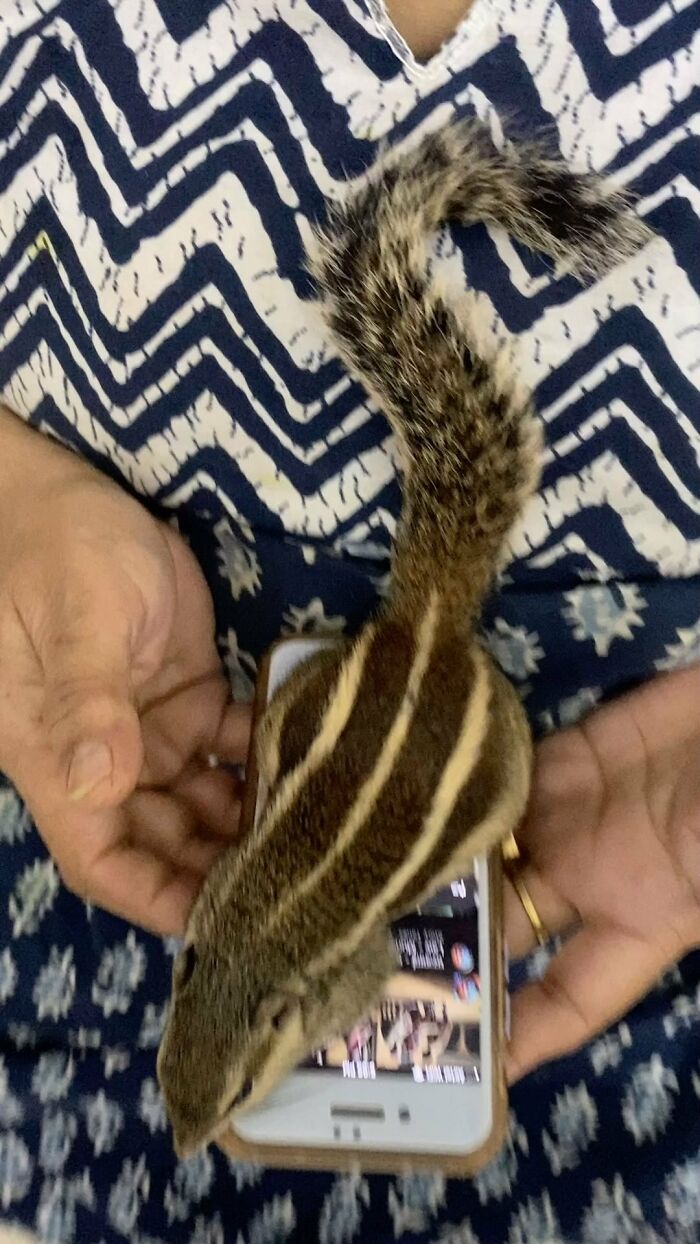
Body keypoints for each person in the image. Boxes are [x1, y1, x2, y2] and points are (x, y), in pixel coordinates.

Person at [0, 1, 697, 1240]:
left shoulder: (276, 958)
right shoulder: (216, 923)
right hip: (71, 964)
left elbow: (362, 968)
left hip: (636, 997)